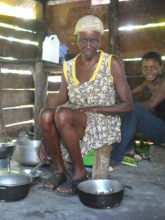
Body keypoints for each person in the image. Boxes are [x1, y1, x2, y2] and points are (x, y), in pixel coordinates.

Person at [38, 15, 133, 197]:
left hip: (103, 121)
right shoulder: (68, 66)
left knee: (63, 115)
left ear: (100, 40)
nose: (89, 46)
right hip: (71, 116)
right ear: (76, 39)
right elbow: (60, 102)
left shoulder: (111, 63)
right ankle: (60, 171)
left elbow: (128, 105)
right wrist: (45, 136)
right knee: (46, 115)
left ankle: (80, 172)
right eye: (84, 40)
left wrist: (94, 109)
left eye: (94, 41)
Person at [110, 51, 165, 170]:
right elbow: (128, 95)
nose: (149, 71)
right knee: (130, 105)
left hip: (163, 131)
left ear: (161, 67)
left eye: (153, 67)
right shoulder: (149, 83)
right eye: (145, 68)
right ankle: (128, 150)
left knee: (132, 108)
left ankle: (115, 159)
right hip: (160, 128)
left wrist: (125, 106)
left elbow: (150, 105)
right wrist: (112, 99)